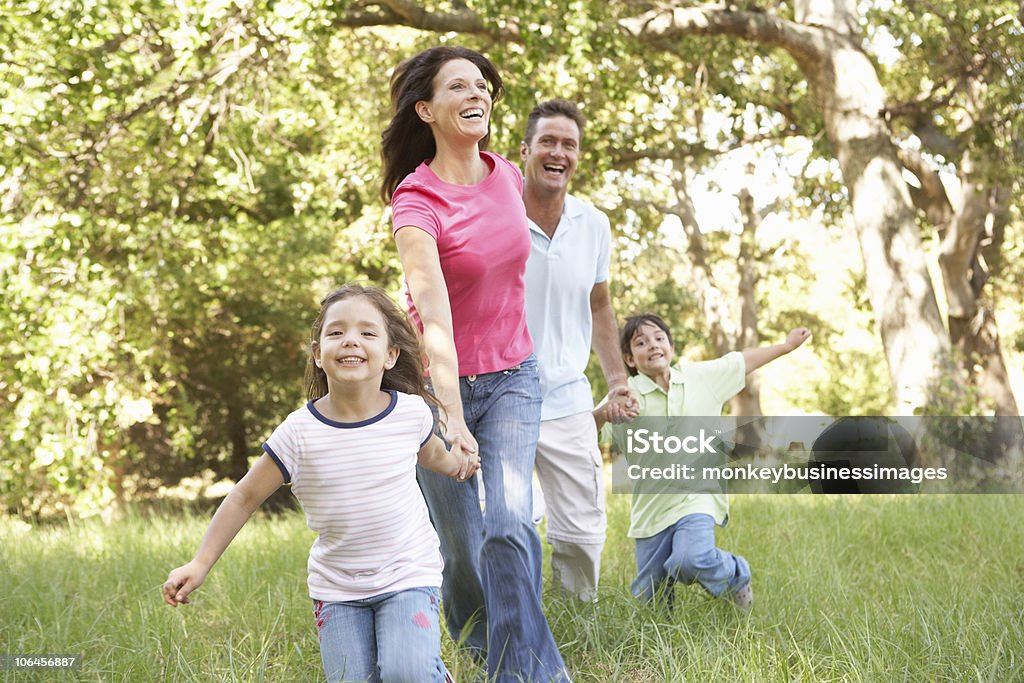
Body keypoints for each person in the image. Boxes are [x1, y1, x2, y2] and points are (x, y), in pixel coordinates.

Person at [162, 284, 479, 683]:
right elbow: (244, 498)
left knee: (406, 672)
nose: (351, 340)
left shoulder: (409, 414)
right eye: (336, 332)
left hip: (407, 572)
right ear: (318, 354)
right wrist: (200, 562)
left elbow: (432, 455)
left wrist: (459, 465)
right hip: (338, 587)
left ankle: (428, 671)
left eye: (367, 333)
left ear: (390, 354)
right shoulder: (298, 433)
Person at [381, 47, 570, 681]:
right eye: (459, 86)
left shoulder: (508, 178)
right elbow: (430, 313)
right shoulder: (415, 201)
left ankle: (524, 673)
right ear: (427, 109)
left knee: (509, 523)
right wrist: (450, 418)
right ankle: (482, 646)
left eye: (483, 85)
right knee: (461, 549)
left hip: (515, 374)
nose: (478, 93)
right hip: (437, 389)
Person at [595, 313, 811, 609]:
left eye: (659, 338)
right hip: (651, 511)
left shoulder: (700, 377)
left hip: (698, 497)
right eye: (641, 343)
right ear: (630, 359)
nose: (653, 346)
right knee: (651, 606)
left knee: (690, 559)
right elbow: (587, 430)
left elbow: (742, 361)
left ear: (670, 346)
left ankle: (736, 575)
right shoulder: (627, 397)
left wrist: (785, 346)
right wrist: (604, 413)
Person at [520, 99, 637, 602]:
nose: (558, 152)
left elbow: (600, 304)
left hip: (568, 398)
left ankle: (574, 617)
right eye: (547, 141)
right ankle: (514, 619)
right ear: (525, 150)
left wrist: (617, 381)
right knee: (509, 523)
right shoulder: (496, 215)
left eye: (568, 144)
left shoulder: (594, 224)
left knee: (584, 531)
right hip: (502, 395)